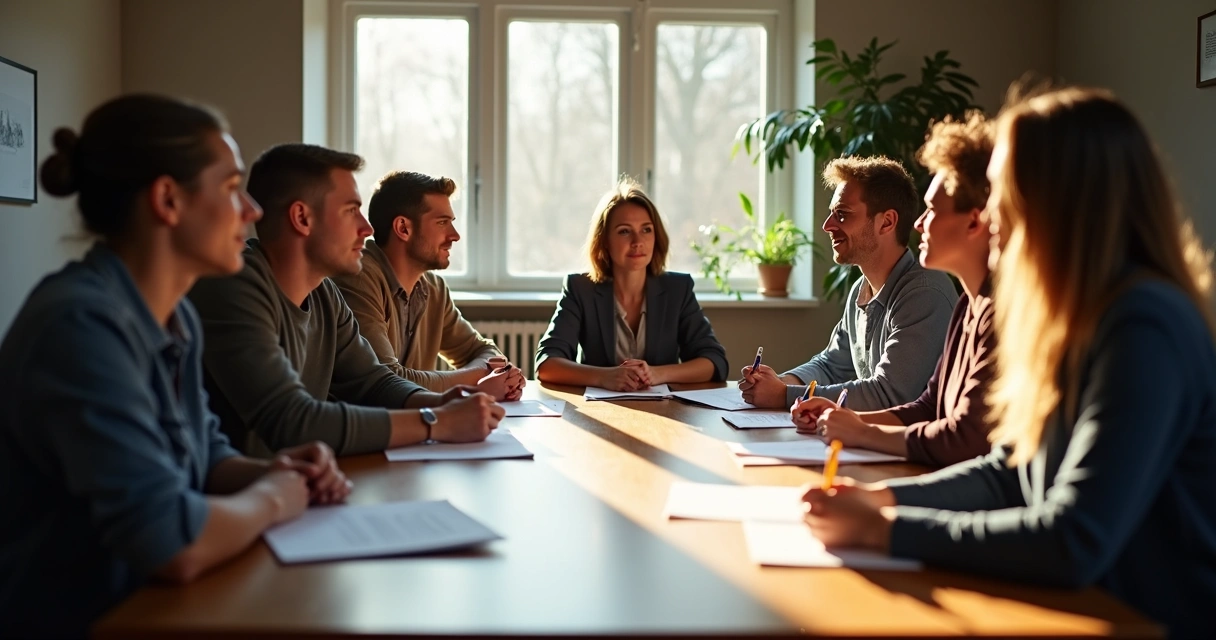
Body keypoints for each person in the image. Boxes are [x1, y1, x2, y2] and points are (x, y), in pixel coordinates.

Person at [800, 87, 1216, 639]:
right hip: (1076, 606)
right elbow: (1009, 474)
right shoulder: (1071, 316)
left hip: (1144, 620)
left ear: (1059, 199)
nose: (988, 213)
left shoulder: (1143, 324)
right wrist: (878, 499)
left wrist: (885, 529)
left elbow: (1074, 538)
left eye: (1003, 192)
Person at [0, 95, 349, 637]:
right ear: (167, 200)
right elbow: (171, 540)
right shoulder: (79, 325)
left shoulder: (172, 314)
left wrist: (278, 472)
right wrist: (276, 498)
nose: (253, 211)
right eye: (233, 189)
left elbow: (205, 456)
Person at [189, 144, 503, 457]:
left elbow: (374, 383)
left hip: (298, 484)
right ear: (302, 218)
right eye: (351, 210)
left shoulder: (325, 293)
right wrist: (436, 422)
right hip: (238, 494)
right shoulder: (235, 285)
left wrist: (443, 401)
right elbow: (291, 420)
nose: (367, 229)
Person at [792, 113, 998, 467]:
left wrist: (787, 396)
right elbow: (927, 407)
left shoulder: (936, 293)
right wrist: (844, 417)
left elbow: (960, 438)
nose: (918, 223)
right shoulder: (968, 305)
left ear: (975, 221)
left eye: (931, 210)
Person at [740, 157, 957, 411]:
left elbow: (889, 395)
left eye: (842, 214)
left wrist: (785, 395)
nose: (827, 225)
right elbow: (831, 366)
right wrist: (779, 382)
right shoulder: (861, 289)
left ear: (886, 222)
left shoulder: (924, 293)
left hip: (909, 448)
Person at [333, 171, 523, 399]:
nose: (454, 236)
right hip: (365, 430)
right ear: (403, 228)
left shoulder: (433, 288)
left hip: (415, 425)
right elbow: (387, 381)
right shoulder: (358, 277)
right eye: (442, 223)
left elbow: (482, 350)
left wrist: (492, 374)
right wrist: (482, 378)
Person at [535, 178, 727, 390]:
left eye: (646, 230)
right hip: (600, 413)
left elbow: (714, 361)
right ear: (605, 241)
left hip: (665, 413)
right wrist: (604, 377)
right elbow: (546, 364)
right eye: (625, 231)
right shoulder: (580, 289)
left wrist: (657, 373)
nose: (638, 241)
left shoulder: (677, 289)